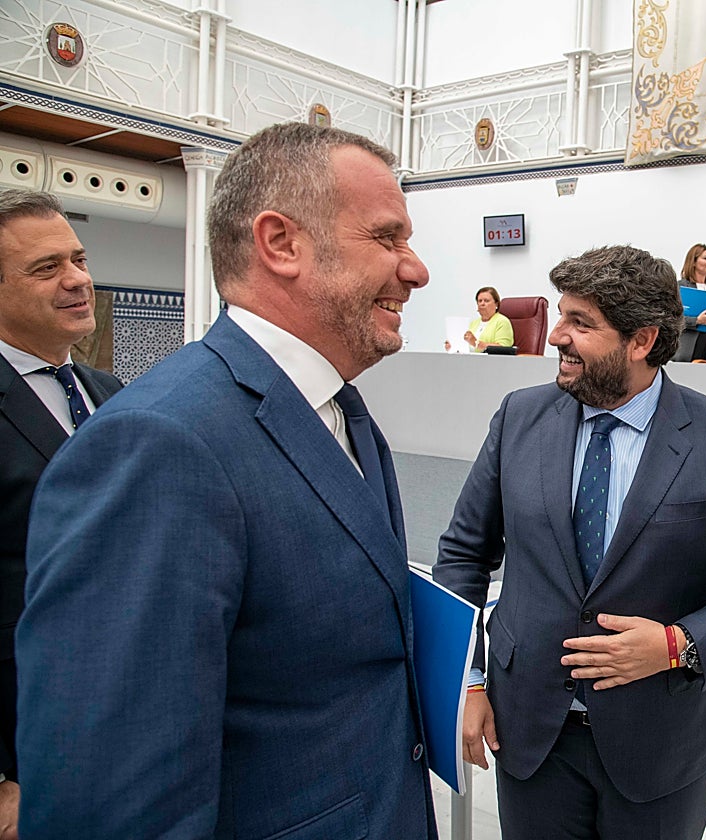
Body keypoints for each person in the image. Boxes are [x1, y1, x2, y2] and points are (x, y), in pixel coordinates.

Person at [16, 123, 437, 839]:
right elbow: (116, 803)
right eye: (388, 237)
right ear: (281, 244)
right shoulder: (158, 442)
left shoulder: (345, 412)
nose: (417, 269)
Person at [434, 244, 706, 839]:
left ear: (641, 340)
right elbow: (463, 556)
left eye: (581, 323)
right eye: (561, 315)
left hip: (660, 745)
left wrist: (678, 644)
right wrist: (466, 680)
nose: (557, 336)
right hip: (530, 733)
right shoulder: (518, 418)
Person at [0, 189, 122, 840]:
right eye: (46, 268)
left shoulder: (112, 396)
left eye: (77, 259)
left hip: (126, 725)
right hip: (27, 747)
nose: (77, 279)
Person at [673, 242, 706, 362]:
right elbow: (674, 317)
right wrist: (696, 321)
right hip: (693, 339)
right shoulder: (681, 286)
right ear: (693, 262)